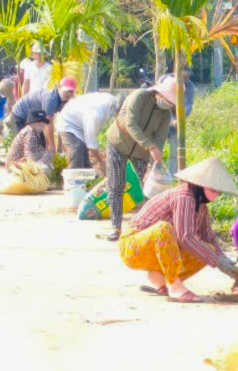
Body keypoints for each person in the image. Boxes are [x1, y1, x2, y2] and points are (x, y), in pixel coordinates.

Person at [118, 156, 238, 303]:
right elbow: (185, 237)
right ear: (200, 185)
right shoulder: (184, 196)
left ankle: (162, 280)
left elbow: (209, 238)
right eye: (213, 191)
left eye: (218, 193)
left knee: (207, 248)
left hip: (155, 249)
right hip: (131, 246)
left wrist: (225, 262)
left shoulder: (201, 206)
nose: (216, 196)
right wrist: (217, 261)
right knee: (164, 228)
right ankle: (175, 286)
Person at [104, 77, 176, 241]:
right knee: (116, 185)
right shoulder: (139, 96)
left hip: (142, 151)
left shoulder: (165, 114)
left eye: (172, 102)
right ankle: (116, 227)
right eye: (167, 100)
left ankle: (148, 225)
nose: (168, 104)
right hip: (119, 142)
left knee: (148, 186)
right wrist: (150, 147)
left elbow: (160, 138)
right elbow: (131, 124)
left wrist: (155, 162)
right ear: (159, 93)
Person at [57, 90, 119, 173]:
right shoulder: (96, 114)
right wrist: (101, 161)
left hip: (80, 122)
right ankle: (72, 181)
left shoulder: (112, 101)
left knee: (83, 152)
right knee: (77, 149)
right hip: (68, 122)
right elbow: (91, 142)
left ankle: (87, 179)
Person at [11, 77, 76, 152]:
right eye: (66, 91)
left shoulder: (67, 100)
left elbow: (65, 123)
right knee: (23, 145)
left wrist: (67, 147)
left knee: (41, 145)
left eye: (71, 91)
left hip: (35, 119)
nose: (69, 94)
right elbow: (48, 124)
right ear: (59, 87)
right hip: (20, 115)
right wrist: (52, 144)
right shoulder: (51, 99)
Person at [161, 65, 196, 175]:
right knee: (157, 150)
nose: (186, 78)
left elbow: (189, 104)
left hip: (176, 125)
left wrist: (179, 118)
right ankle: (157, 175)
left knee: (174, 153)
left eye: (188, 76)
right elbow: (162, 103)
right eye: (184, 75)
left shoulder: (190, 86)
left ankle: (170, 178)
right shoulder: (164, 80)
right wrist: (171, 119)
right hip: (161, 123)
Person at [5, 109, 53, 176]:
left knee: (49, 157)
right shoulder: (30, 133)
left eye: (43, 122)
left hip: (19, 163)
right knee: (46, 168)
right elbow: (30, 156)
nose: (42, 124)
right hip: (15, 166)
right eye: (39, 122)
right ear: (33, 122)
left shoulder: (35, 131)